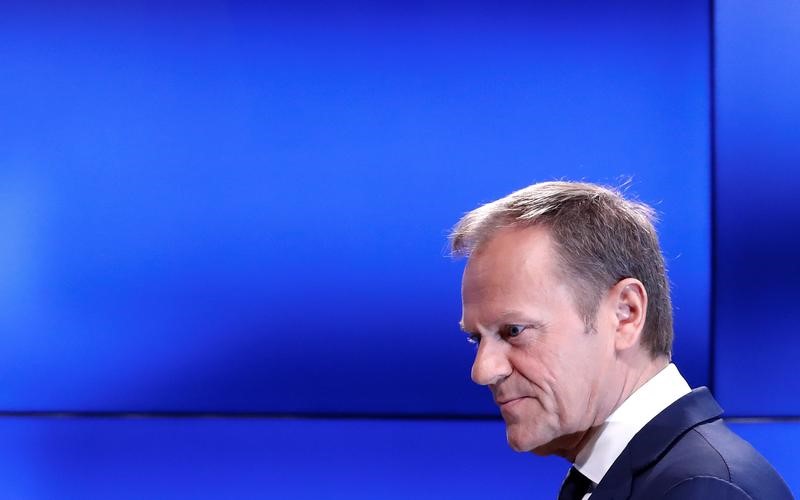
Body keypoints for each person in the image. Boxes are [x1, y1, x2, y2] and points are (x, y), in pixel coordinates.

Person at [450, 181, 793, 499]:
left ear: (625, 313)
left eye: (513, 331)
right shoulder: (648, 478)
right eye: (475, 338)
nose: (482, 371)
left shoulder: (704, 489)